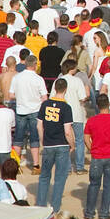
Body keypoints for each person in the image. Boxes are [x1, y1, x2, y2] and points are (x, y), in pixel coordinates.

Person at [34, 78, 75, 210]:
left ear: (55, 89)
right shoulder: (66, 107)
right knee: (60, 178)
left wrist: (42, 141)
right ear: (66, 89)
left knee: (44, 176)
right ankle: (55, 207)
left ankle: (40, 205)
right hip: (62, 145)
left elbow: (39, 126)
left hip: (48, 144)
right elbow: (67, 131)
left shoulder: (45, 104)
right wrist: (72, 145)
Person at [84, 93, 110, 219]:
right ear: (109, 104)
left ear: (97, 105)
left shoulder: (91, 121)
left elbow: (86, 139)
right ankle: (104, 212)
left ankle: (89, 212)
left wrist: (92, 149)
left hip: (97, 156)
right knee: (109, 185)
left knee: (94, 184)